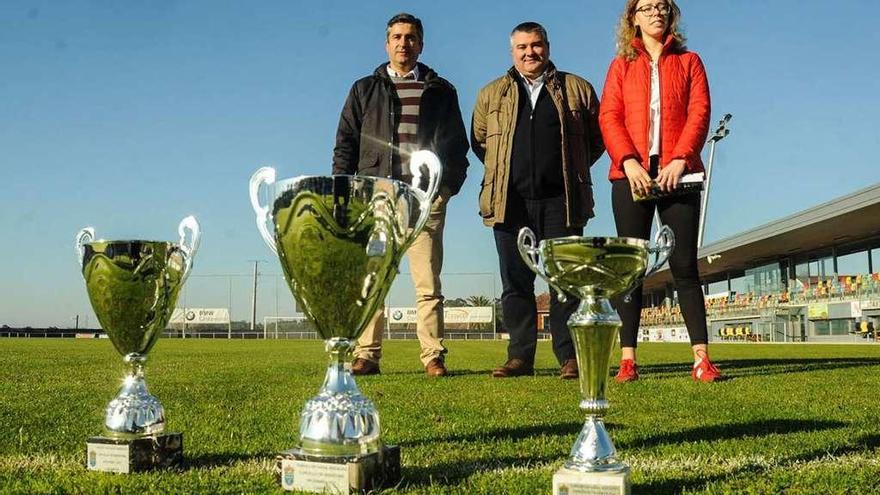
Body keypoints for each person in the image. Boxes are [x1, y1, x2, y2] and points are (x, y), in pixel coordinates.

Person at [332, 12, 469, 377]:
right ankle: (367, 355)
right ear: (386, 43)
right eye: (396, 37)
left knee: (427, 282)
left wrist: (446, 189)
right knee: (373, 280)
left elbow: (457, 146)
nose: (403, 43)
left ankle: (433, 356)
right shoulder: (364, 89)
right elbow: (345, 143)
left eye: (410, 37)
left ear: (421, 44)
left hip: (424, 201)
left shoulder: (441, 90)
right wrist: (345, 192)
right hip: (376, 197)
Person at [472, 22, 604, 379]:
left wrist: (568, 172)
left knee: (564, 284)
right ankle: (520, 358)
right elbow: (480, 142)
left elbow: (596, 141)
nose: (530, 52)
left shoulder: (577, 89)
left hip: (562, 202)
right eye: (522, 47)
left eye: (536, 45)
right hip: (509, 203)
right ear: (512, 51)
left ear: (547, 46)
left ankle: (569, 357)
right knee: (515, 284)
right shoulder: (490, 94)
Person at [599, 0, 722, 382]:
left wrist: (681, 158)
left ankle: (701, 359)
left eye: (663, 6)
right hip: (631, 177)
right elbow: (609, 115)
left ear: (672, 15)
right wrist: (629, 161)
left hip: (678, 176)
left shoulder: (690, 62)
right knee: (631, 269)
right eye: (647, 7)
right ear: (632, 17)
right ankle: (628, 360)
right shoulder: (621, 65)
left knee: (684, 266)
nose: (656, 13)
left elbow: (700, 112)